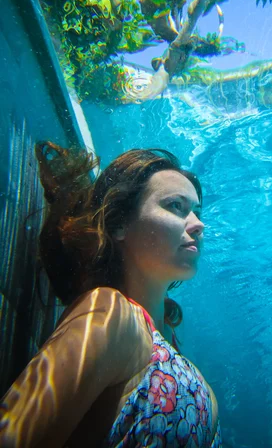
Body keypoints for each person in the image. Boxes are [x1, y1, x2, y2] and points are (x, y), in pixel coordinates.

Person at [0, 142, 222, 447]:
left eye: (196, 211)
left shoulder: (173, 354)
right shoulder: (110, 313)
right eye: (175, 206)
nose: (199, 224)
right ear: (119, 224)